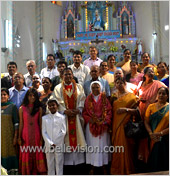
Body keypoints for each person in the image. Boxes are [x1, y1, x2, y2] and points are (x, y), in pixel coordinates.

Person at [49, 68, 86, 175]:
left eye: (70, 74)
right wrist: (64, 111)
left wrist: (78, 109)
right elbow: (55, 101)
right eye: (66, 74)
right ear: (62, 76)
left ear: (73, 75)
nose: (68, 76)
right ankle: (68, 168)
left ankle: (79, 167)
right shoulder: (58, 88)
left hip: (76, 119)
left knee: (77, 140)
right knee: (65, 141)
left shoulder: (78, 87)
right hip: (63, 119)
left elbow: (82, 99)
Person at [137, 67, 167, 167]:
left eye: (152, 72)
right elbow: (136, 96)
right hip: (142, 115)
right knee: (143, 138)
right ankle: (144, 160)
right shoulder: (141, 85)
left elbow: (165, 91)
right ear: (144, 74)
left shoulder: (158, 84)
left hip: (156, 113)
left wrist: (155, 102)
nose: (151, 73)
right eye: (149, 72)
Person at [110, 77, 139, 175]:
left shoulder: (131, 96)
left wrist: (125, 110)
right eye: (117, 83)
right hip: (115, 126)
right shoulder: (114, 96)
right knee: (117, 148)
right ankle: (117, 171)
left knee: (126, 149)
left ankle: (127, 170)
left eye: (121, 83)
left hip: (125, 126)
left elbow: (137, 112)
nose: (119, 85)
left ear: (125, 83)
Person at [82, 81, 112, 174]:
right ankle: (92, 166)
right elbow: (84, 112)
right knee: (92, 146)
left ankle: (103, 166)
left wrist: (104, 121)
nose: (95, 89)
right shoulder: (88, 99)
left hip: (103, 126)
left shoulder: (105, 99)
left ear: (101, 88)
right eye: (93, 87)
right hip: (91, 126)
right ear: (91, 89)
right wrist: (90, 120)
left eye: (97, 87)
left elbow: (109, 111)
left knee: (103, 146)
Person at [18, 88, 47, 175]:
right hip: (25, 134)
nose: (32, 97)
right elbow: (21, 124)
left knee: (37, 152)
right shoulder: (21, 108)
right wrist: (19, 137)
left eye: (34, 95)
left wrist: (42, 138)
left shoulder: (39, 109)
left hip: (36, 133)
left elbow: (41, 124)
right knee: (26, 152)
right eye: (30, 95)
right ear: (27, 96)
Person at [144, 87, 169, 172]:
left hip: (165, 140)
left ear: (167, 96)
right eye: (159, 93)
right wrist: (151, 133)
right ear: (157, 95)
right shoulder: (151, 107)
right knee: (152, 163)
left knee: (163, 163)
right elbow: (146, 121)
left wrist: (161, 133)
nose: (161, 95)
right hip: (152, 139)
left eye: (164, 93)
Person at [42, 98, 66, 175]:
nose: (52, 107)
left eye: (53, 105)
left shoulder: (62, 117)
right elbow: (44, 132)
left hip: (58, 145)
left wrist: (55, 142)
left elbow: (63, 131)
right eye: (50, 106)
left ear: (57, 106)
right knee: (50, 164)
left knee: (59, 163)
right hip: (48, 145)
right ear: (48, 107)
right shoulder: (44, 118)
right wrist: (50, 143)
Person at [1, 88, 19, 175]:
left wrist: (15, 136)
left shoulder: (12, 106)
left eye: (4, 94)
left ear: (8, 96)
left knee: (9, 152)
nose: (2, 96)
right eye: (1, 95)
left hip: (9, 136)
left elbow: (16, 123)